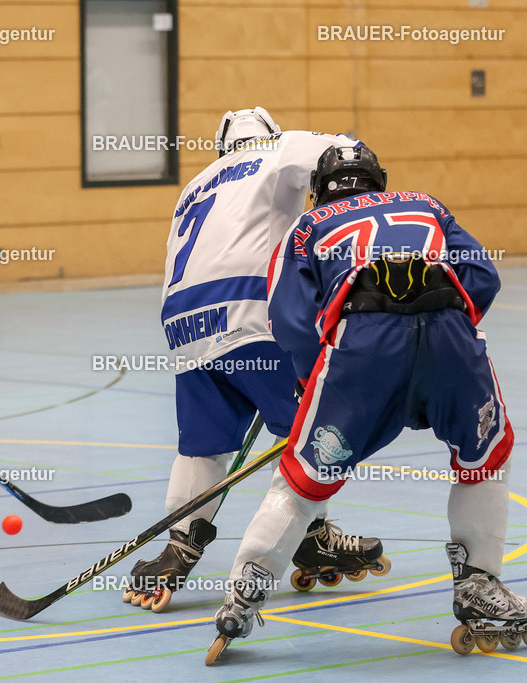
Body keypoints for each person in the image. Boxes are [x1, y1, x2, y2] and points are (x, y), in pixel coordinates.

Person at [207, 145, 527, 663]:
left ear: (319, 189)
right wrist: (447, 330)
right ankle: (480, 582)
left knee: (303, 477)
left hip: (362, 348)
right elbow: (482, 276)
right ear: (380, 182)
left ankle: (246, 588)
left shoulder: (305, 228)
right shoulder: (425, 204)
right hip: (450, 332)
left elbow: (289, 319)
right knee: (486, 459)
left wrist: (309, 379)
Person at [125, 109, 387, 613]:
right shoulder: (280, 148)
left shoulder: (194, 186)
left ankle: (179, 545)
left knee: (204, 446)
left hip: (184, 326)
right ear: (267, 136)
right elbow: (344, 152)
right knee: (312, 431)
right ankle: (308, 535)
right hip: (254, 312)